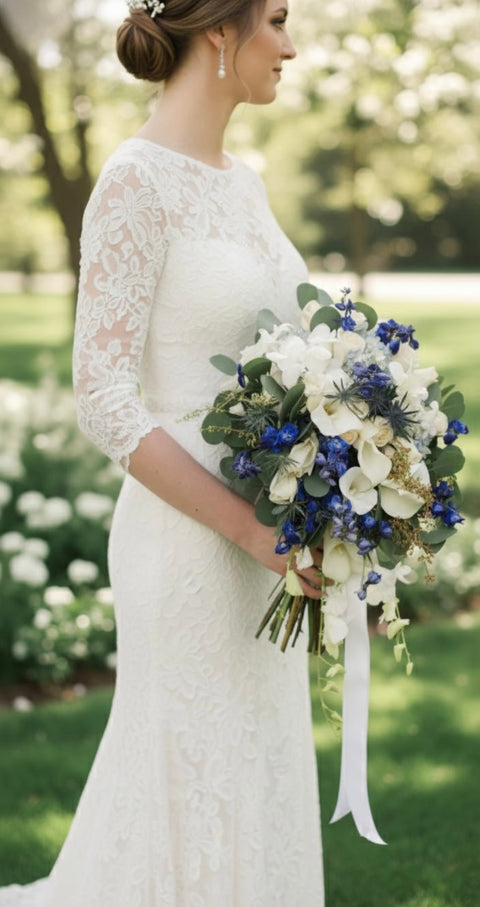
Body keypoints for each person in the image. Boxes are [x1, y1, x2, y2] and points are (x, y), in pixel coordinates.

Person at [0, 0, 324, 903]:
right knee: (191, 779)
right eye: (277, 20)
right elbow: (104, 396)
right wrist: (250, 530)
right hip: (188, 549)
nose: (290, 46)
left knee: (257, 769)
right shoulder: (134, 183)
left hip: (265, 543)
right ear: (219, 30)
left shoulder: (245, 183)